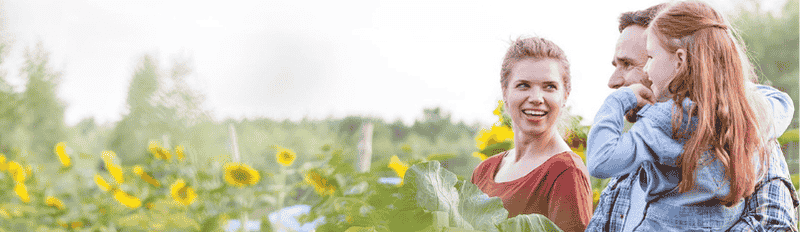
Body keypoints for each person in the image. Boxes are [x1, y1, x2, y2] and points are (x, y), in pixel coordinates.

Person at [587, 1, 798, 231]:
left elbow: (774, 223)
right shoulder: (635, 144)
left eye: (630, 63)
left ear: (680, 62)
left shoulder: (747, 134)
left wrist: (726, 98)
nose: (613, 81)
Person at [471, 37, 592, 232]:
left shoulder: (566, 172)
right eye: (523, 85)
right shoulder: (484, 171)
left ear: (565, 96)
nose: (536, 98)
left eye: (549, 87)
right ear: (505, 92)